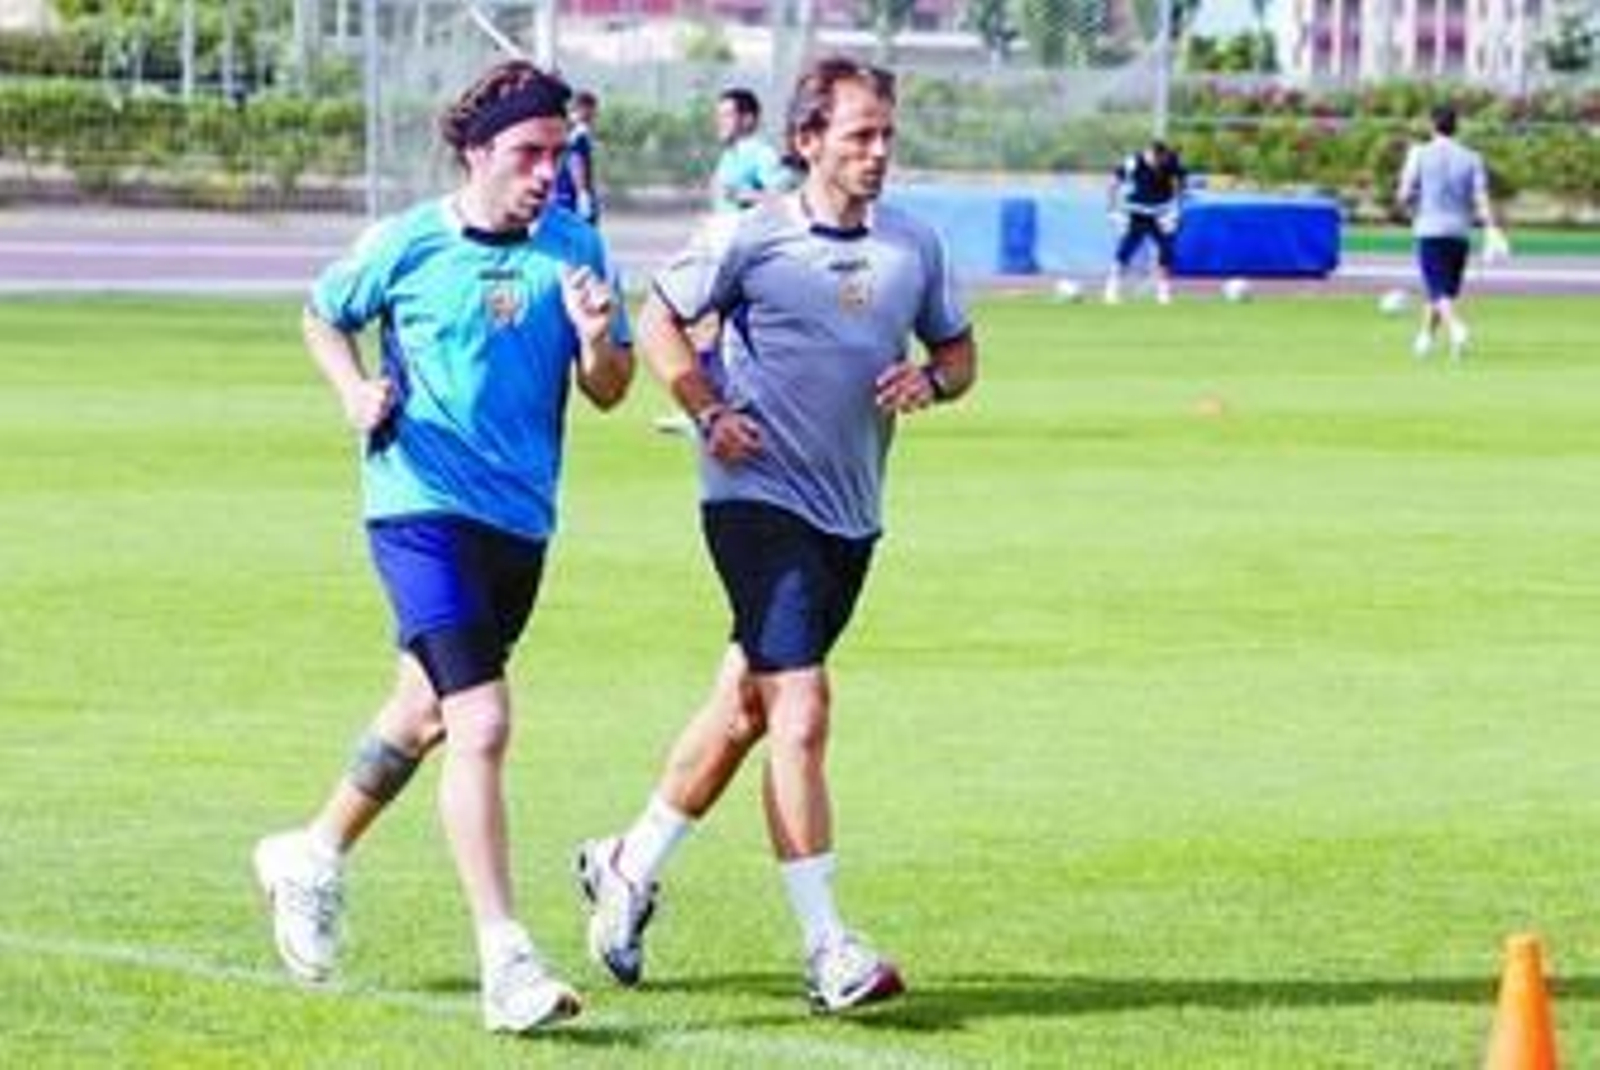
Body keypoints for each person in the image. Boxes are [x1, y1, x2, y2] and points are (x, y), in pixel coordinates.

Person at [575, 55, 977, 1015]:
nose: (878, 153)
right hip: (753, 500)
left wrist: (930, 381)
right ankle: (827, 947)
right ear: (808, 142)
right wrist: (709, 409)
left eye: (887, 136)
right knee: (800, 709)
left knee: (746, 710)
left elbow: (958, 352)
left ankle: (627, 865)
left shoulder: (912, 247)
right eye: (858, 137)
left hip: (850, 515)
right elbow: (661, 318)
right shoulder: (751, 236)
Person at [252, 60, 634, 1035]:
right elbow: (322, 313)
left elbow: (611, 389)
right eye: (527, 154)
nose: (547, 172)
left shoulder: (576, 246)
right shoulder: (409, 242)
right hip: (417, 507)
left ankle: (312, 852)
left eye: (558, 153)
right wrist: (351, 391)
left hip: (520, 522)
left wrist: (596, 339)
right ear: (476, 152)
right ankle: (505, 955)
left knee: (421, 712)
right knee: (482, 721)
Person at [1396, 102, 1507, 361]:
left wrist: (1411, 208)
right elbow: (1481, 197)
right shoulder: (1472, 157)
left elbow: (1404, 193)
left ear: (1432, 125)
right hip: (1459, 232)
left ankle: (1457, 328)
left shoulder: (1419, 153)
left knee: (1438, 290)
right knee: (1444, 290)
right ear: (1456, 127)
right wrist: (1490, 226)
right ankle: (1425, 339)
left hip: (1430, 228)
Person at [1103, 139, 1187, 306]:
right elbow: (1113, 184)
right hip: (1137, 212)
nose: (1158, 163)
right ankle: (1112, 288)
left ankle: (1163, 291)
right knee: (1126, 249)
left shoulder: (1171, 161)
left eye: (1161, 159)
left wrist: (1176, 210)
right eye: (1155, 158)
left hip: (1162, 212)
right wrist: (1111, 209)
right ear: (1149, 154)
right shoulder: (1134, 161)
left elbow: (1180, 185)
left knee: (1166, 249)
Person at [710, 87, 793, 213]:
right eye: (718, 116)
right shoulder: (728, 156)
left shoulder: (762, 154)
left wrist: (744, 195)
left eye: (726, 115)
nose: (719, 122)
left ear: (748, 119)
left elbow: (783, 200)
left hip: (752, 231)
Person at [554, 89, 600, 226]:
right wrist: (582, 194)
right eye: (593, 110)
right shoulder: (580, 132)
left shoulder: (565, 127)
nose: (595, 115)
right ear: (584, 108)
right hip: (572, 196)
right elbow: (575, 160)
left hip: (560, 193)